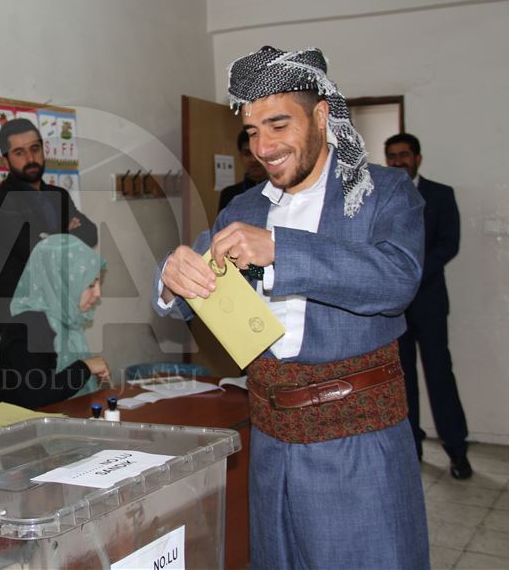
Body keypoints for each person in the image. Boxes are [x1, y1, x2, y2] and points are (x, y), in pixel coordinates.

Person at [154, 46, 429, 568]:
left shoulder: (382, 192)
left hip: (357, 443)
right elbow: (193, 292)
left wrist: (282, 249)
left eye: (278, 125)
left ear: (321, 116)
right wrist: (173, 278)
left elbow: (397, 279)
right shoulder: (243, 207)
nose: (264, 147)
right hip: (271, 442)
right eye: (252, 131)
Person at [385, 132, 471, 478]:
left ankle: (457, 450)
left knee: (439, 376)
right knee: (401, 380)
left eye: (404, 155)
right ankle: (412, 450)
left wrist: (412, 273)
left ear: (417, 158)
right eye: (392, 156)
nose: (398, 162)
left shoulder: (440, 194)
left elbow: (450, 243)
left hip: (430, 301)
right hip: (395, 308)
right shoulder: (381, 195)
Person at [0, 118, 97, 335]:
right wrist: (66, 233)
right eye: (19, 153)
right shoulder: (0, 201)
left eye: (35, 149)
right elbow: (34, 250)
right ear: (6, 161)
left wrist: (49, 237)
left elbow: (91, 233)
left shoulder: (59, 196)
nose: (30, 159)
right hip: (22, 318)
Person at [0, 234, 112, 409]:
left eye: (98, 283)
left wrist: (89, 372)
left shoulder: (65, 318)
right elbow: (36, 397)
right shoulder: (25, 327)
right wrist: (85, 367)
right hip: (24, 424)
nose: (98, 293)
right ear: (61, 283)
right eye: (91, 285)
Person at [218, 129, 267, 213]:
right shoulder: (229, 194)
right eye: (247, 153)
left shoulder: (283, 192)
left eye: (258, 152)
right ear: (240, 156)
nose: (253, 159)